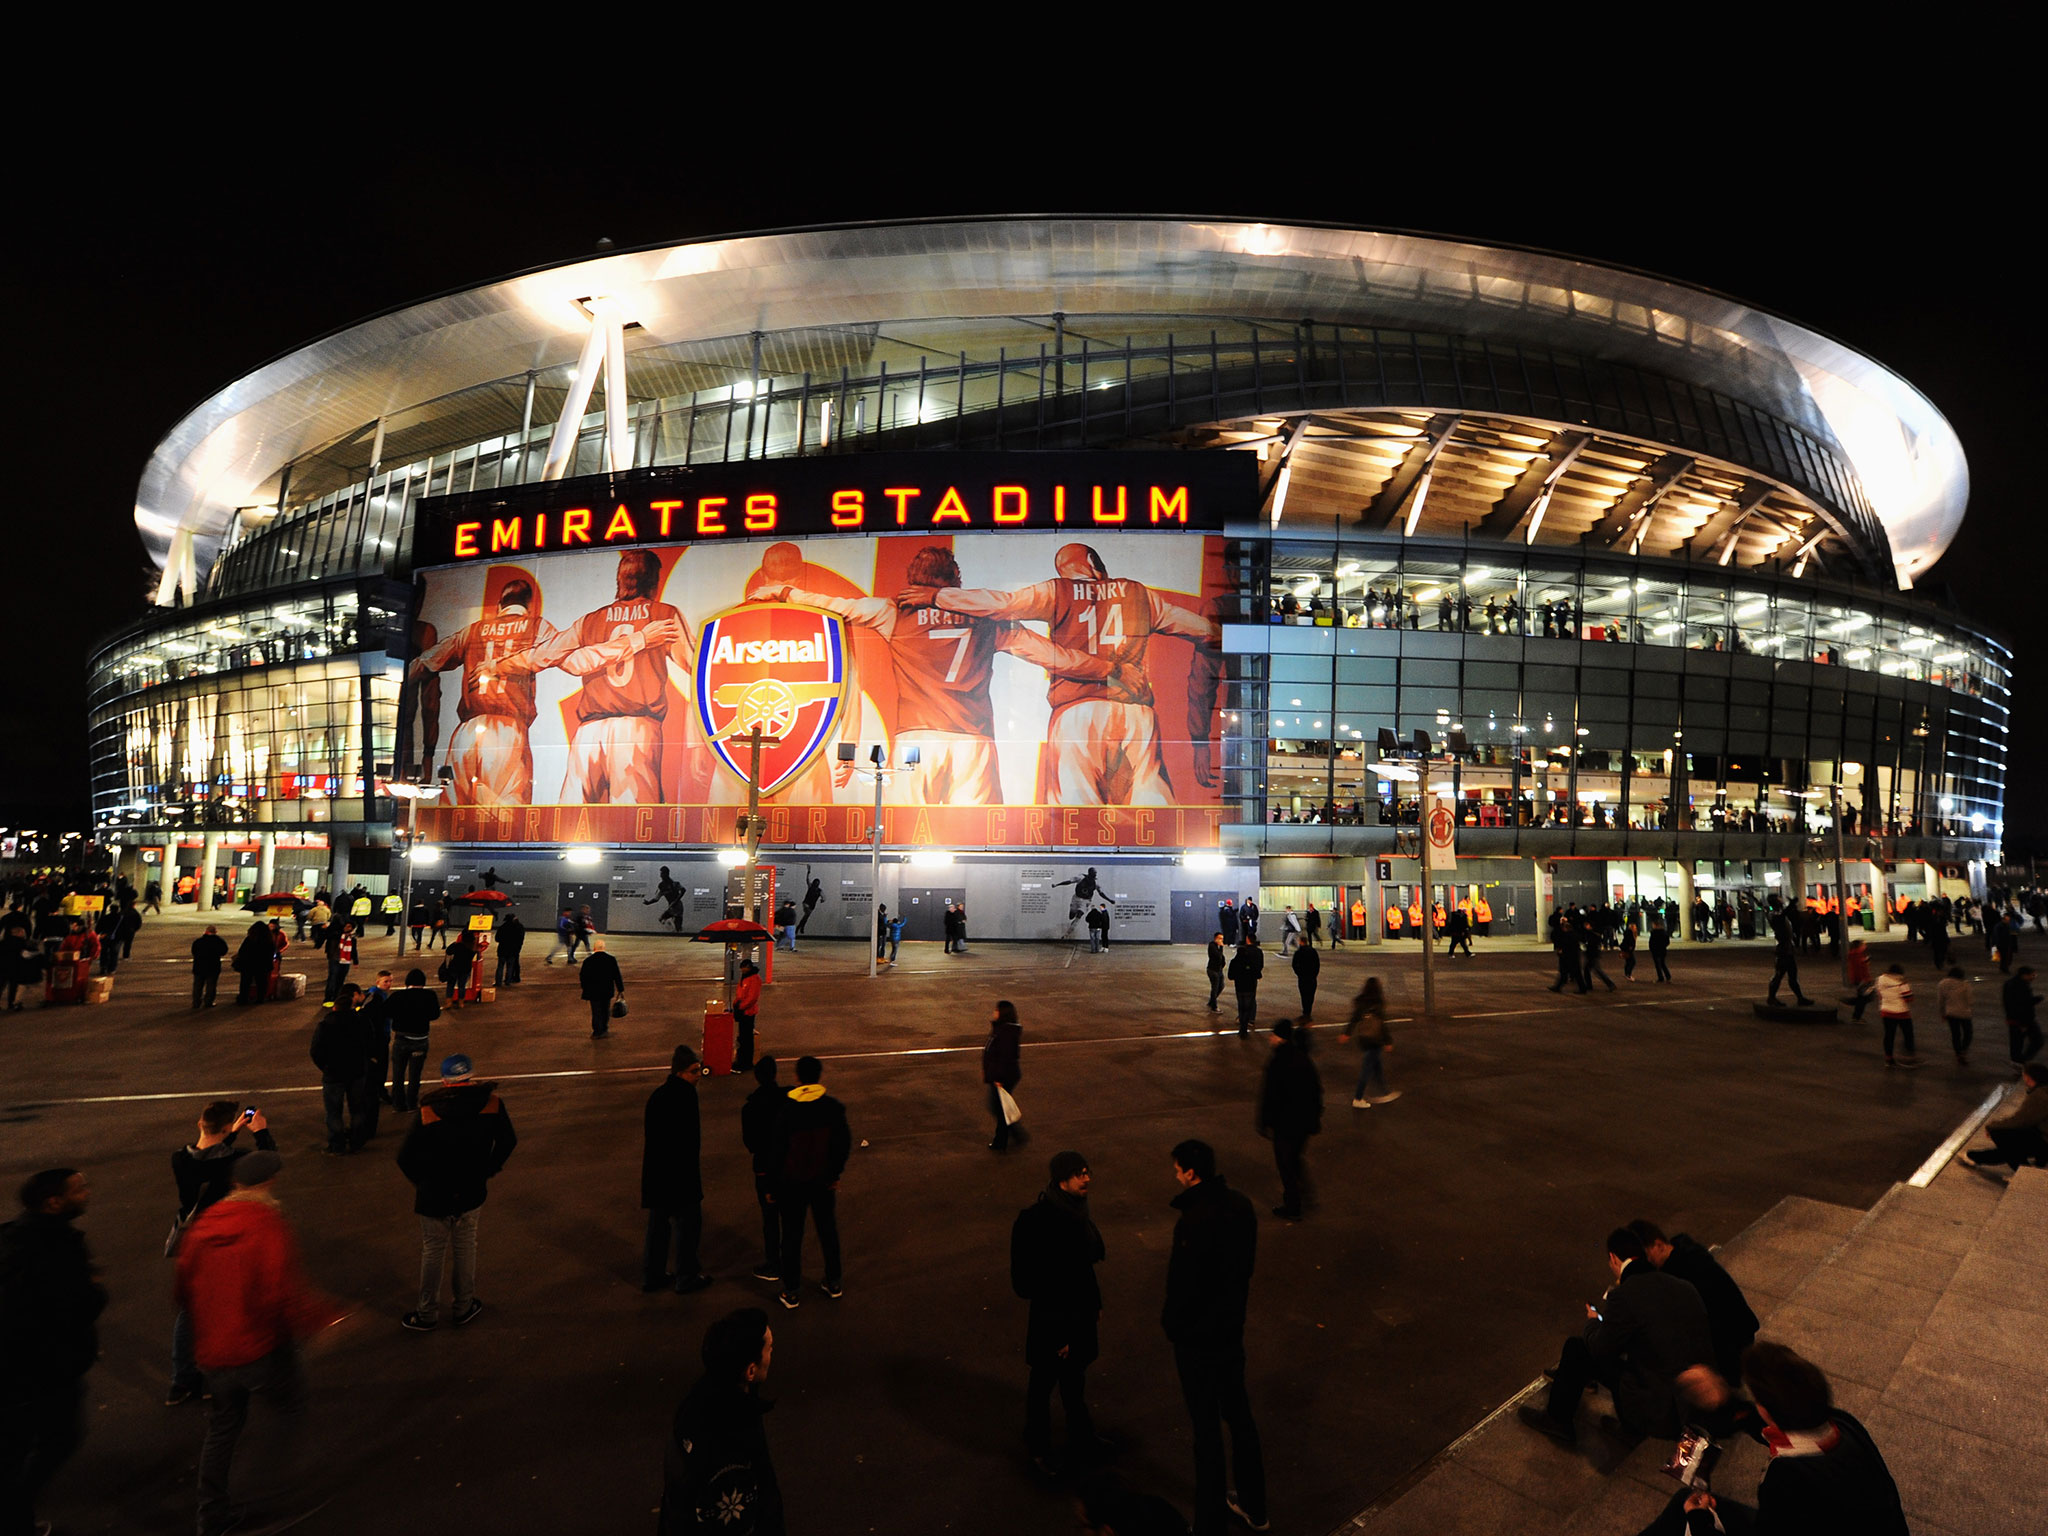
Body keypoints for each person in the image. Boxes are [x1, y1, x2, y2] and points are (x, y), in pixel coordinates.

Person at [175, 1151, 344, 1536]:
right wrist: (324, 1319)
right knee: (288, 1412)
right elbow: (280, 1292)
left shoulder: (203, 1224)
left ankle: (212, 1513)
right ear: (269, 1182)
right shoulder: (267, 1223)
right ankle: (266, 1500)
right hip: (258, 1347)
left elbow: (183, 1291)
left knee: (223, 1428)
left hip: (213, 1351)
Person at [1633, 1342, 1907, 1536]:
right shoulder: (1842, 1424)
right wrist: (1725, 1401)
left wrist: (1700, 1520)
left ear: (1766, 1408)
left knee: (1685, 1507)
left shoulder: (1788, 1479)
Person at [1518, 1226, 1712, 1447]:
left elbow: (1601, 1348)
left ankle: (1558, 1419)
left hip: (1656, 1410)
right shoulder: (1684, 1287)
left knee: (1578, 1348)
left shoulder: (1624, 1295)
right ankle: (1627, 1423)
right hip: (1693, 1403)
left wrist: (1593, 1321)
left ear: (1613, 1258)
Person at [1161, 1140, 1265, 1536]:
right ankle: (1256, 1506)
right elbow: (1246, 1267)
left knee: (1206, 1432)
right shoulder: (1240, 1206)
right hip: (1229, 1331)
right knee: (1239, 1418)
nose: (1175, 1176)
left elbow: (1182, 1286)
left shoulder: (1192, 1221)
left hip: (1197, 1341)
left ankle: (1208, 1524)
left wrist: (1173, 1325)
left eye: (1177, 1169)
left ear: (1190, 1172)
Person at [0, 1169, 105, 1536]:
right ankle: (14, 1516)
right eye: (79, 1189)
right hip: (45, 1368)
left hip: (19, 1369)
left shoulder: (13, 1235)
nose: (87, 1193)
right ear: (53, 1202)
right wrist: (95, 1290)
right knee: (58, 1438)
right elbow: (73, 1307)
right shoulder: (56, 1246)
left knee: (18, 1445)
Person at [168, 1102, 281, 1404]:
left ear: (199, 1124)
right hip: (226, 1238)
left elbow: (208, 1157)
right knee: (228, 1304)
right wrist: (261, 1131)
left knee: (189, 1310)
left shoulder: (179, 1159)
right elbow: (270, 1161)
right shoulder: (237, 1161)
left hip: (192, 1238)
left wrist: (228, 1134)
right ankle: (217, 1377)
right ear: (222, 1127)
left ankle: (182, 1382)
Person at [398, 1054, 517, 1330]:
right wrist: (489, 1169)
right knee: (465, 1247)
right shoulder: (491, 1104)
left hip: (434, 1194)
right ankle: (463, 1306)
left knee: (433, 1252)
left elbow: (405, 1157)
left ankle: (426, 1314)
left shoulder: (429, 1110)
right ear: (470, 1078)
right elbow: (508, 1140)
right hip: (471, 1189)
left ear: (444, 1081)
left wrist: (422, 1181)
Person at [1011, 1150, 1105, 1480]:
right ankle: (1038, 1447)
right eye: (1079, 1173)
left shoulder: (1077, 1211)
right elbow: (1031, 1283)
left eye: (1087, 1170)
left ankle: (1081, 1435)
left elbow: (1082, 1270)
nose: (1087, 1178)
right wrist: (1060, 1333)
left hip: (1077, 1314)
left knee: (1074, 1379)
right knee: (1043, 1383)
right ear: (1061, 1180)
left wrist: (1094, 1303)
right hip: (1054, 1321)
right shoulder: (1037, 1221)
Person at [658, 1308, 784, 1535]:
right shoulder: (733, 1439)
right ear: (751, 1370)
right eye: (769, 1349)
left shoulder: (698, 1399)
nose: (772, 1353)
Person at [1626, 1220, 1759, 1386]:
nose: (1645, 1263)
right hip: (1733, 1333)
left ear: (1659, 1245)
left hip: (1729, 1341)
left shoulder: (1686, 1271)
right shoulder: (1683, 1254)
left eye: (1646, 1256)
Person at [770, 1056, 851, 1309]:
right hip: (822, 1183)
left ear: (797, 1078)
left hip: (792, 1185)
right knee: (828, 1231)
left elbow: (777, 1152)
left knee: (792, 1237)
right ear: (819, 1077)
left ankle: (792, 1290)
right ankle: (833, 1282)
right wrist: (834, 1174)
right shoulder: (833, 1108)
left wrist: (773, 1186)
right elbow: (842, 1145)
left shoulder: (786, 1111)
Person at [645, 1045, 712, 1295]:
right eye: (694, 1071)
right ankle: (687, 1276)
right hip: (681, 1176)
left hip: (657, 1175)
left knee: (658, 1228)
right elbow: (690, 1142)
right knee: (689, 1227)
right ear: (680, 1072)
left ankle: (652, 1276)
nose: (698, 1076)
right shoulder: (686, 1096)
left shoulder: (657, 1095)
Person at [1257, 1020, 1322, 1223]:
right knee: (1294, 1159)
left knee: (1285, 1164)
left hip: (1285, 1123)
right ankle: (1305, 1193)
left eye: (1273, 1035)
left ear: (1281, 1037)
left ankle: (1293, 1205)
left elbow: (1270, 1095)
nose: (1270, 1038)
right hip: (1303, 1123)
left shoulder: (1277, 1062)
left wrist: (1263, 1121)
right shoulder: (1303, 1060)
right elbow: (1316, 1091)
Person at [310, 983, 379, 1155]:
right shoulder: (361, 1021)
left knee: (334, 1112)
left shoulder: (325, 1025)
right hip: (357, 1072)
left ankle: (337, 1144)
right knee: (357, 1108)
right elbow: (371, 1043)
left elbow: (316, 1051)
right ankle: (357, 1141)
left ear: (334, 1008)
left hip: (333, 1074)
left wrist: (325, 1067)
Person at [741, 1058, 786, 1284]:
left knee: (770, 1219)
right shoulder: (788, 1100)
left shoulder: (751, 1107)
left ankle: (774, 1263)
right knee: (790, 1217)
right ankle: (789, 1260)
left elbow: (750, 1143)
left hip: (766, 1172)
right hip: (789, 1168)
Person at [1965, 1058, 2048, 1171]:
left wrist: (1992, 1126)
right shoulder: (2044, 1090)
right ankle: (1975, 1157)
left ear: (2028, 1078)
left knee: (2001, 1135)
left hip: (2044, 1140)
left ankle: (2022, 1171)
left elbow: (2020, 1120)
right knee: (2012, 1148)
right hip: (2043, 1135)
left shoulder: (2040, 1095)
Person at [386, 968, 441, 1112]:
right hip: (420, 1040)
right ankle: (412, 1103)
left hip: (401, 1039)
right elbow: (435, 1015)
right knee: (415, 1075)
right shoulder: (430, 995)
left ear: (407, 982)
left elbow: (386, 1012)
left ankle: (398, 1104)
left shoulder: (398, 996)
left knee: (398, 1074)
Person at [1342, 977, 1399, 1107]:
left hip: (1363, 1039)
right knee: (1367, 1068)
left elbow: (1354, 1019)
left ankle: (1384, 1091)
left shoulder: (1361, 1003)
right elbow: (1382, 1026)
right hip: (1375, 1039)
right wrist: (1388, 1041)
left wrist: (1346, 1033)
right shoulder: (1378, 1004)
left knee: (1376, 1065)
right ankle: (1358, 1097)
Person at [983, 1000, 1024, 1152]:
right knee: (999, 1108)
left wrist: (998, 1077)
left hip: (1004, 1076)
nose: (994, 1012)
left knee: (998, 1108)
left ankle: (1004, 1141)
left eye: (996, 1010)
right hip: (1002, 1075)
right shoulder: (1001, 1029)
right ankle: (1011, 1136)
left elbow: (1006, 1058)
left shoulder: (1006, 1033)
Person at [581, 935, 625, 1039]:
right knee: (605, 1010)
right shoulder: (611, 959)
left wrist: (585, 988)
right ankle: (604, 1029)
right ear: (604, 948)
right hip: (607, 990)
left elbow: (583, 976)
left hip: (593, 991)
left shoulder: (588, 961)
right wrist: (620, 989)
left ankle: (597, 1031)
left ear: (594, 949)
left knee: (596, 1011)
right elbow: (617, 975)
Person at [1875, 963, 1918, 1067]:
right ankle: (1909, 1058)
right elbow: (1909, 998)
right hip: (1902, 1013)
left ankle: (1888, 1058)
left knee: (1889, 1035)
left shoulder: (1880, 979)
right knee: (1908, 1035)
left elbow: (1880, 995)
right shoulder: (1901, 982)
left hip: (1886, 1011)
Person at [1766, 909, 1809, 1006]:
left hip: (1788, 949)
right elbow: (1780, 918)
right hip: (1783, 950)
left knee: (1792, 975)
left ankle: (1800, 998)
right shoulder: (1776, 916)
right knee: (1779, 975)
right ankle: (1771, 998)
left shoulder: (1777, 915)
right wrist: (1790, 906)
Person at [2003, 965, 2043, 1067]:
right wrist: (2037, 999)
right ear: (2025, 975)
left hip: (2013, 1019)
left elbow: (2008, 1003)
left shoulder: (2009, 983)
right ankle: (2021, 1062)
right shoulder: (2021, 987)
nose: (2034, 977)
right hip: (2023, 1020)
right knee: (2037, 1040)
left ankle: (2018, 1061)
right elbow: (2023, 1004)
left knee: (2016, 1043)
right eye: (2032, 975)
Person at [1937, 965, 1973, 1064]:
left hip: (1950, 1012)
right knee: (1968, 1033)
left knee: (1955, 1034)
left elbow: (1941, 1001)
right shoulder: (1965, 985)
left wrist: (1942, 1013)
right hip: (1964, 1013)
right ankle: (1963, 1051)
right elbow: (1970, 1000)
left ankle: (1958, 1053)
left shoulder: (1942, 984)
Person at [232, 920, 274, 1005]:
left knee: (245, 982)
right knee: (262, 982)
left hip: (248, 964)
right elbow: (271, 952)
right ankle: (260, 998)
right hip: (263, 965)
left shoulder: (250, 939)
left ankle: (243, 998)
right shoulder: (268, 940)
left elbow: (242, 951)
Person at [1227, 938, 1263, 1037]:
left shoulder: (1234, 962)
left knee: (1241, 1006)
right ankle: (1245, 1027)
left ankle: (1242, 1025)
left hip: (1239, 988)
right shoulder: (1250, 962)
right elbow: (1258, 974)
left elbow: (1230, 976)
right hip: (1250, 987)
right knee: (1248, 1006)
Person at [732, 958, 762, 1072]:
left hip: (748, 1013)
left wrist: (740, 1007)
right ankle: (741, 1060)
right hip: (743, 1011)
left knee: (746, 1039)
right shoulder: (745, 977)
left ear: (748, 967)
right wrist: (736, 1004)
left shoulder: (754, 979)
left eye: (743, 968)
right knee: (742, 1038)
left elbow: (752, 998)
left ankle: (746, 1063)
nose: (742, 971)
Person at [190, 923, 229, 1009]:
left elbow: (194, 951)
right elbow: (224, 951)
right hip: (213, 966)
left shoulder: (198, 941)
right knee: (211, 985)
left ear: (206, 932)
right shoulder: (219, 941)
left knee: (198, 986)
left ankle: (196, 1002)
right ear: (215, 932)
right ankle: (208, 1002)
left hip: (199, 966)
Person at [322, 919, 357, 1007]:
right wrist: (325, 929)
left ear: (352, 928)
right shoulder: (336, 935)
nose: (346, 928)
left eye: (349, 927)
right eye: (345, 926)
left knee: (341, 980)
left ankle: (337, 997)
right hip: (335, 959)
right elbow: (327, 935)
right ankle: (328, 998)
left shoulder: (352, 939)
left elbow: (354, 950)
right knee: (332, 978)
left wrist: (356, 961)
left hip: (346, 961)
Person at [1290, 938, 1319, 1020]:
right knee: (1310, 995)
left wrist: (1299, 973)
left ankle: (1305, 1012)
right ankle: (1308, 1011)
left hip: (1303, 978)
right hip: (1312, 978)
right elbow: (1317, 964)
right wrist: (1314, 974)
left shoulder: (1299, 952)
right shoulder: (1313, 951)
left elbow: (1294, 964)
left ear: (1301, 942)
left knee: (1304, 995)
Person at [1204, 933, 1227, 1014]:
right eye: (1220, 938)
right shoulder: (1212, 945)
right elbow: (1218, 956)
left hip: (1219, 970)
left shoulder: (1218, 947)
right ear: (1215, 938)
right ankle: (1214, 1006)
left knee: (1221, 986)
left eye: (1222, 939)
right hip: (1212, 970)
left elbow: (1221, 958)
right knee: (1215, 988)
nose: (1221, 941)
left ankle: (1212, 1001)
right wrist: (1221, 947)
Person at [1647, 917, 1672, 983]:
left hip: (1655, 950)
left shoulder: (1653, 933)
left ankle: (1661, 977)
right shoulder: (1664, 932)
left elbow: (1651, 942)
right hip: (1663, 950)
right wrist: (1663, 946)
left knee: (1657, 964)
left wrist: (1652, 948)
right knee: (1662, 963)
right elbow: (1667, 942)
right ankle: (1668, 975)